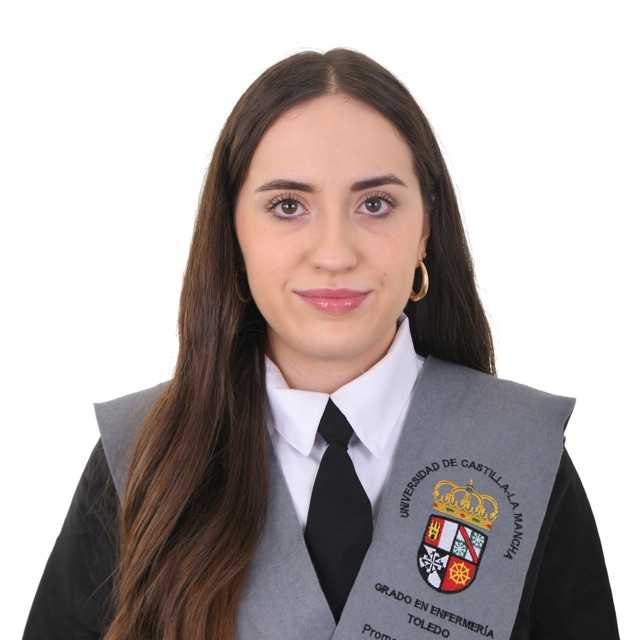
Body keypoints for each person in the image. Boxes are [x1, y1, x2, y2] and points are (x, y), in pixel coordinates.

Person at [22, 47, 619, 640]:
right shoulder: (144, 457)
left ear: (425, 229)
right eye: (288, 206)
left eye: (375, 204)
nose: (334, 253)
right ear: (233, 232)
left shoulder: (517, 457)